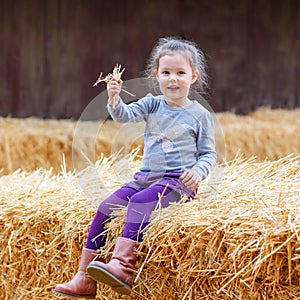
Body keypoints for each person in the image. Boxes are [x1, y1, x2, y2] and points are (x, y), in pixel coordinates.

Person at [53, 36, 217, 298]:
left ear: (193, 76)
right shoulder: (152, 103)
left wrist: (198, 172)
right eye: (166, 73)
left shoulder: (200, 115)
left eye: (180, 73)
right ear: (156, 75)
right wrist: (114, 99)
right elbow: (124, 116)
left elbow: (208, 154)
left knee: (140, 201)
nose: (172, 79)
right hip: (146, 178)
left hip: (176, 183)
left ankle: (123, 266)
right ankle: (84, 278)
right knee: (105, 207)